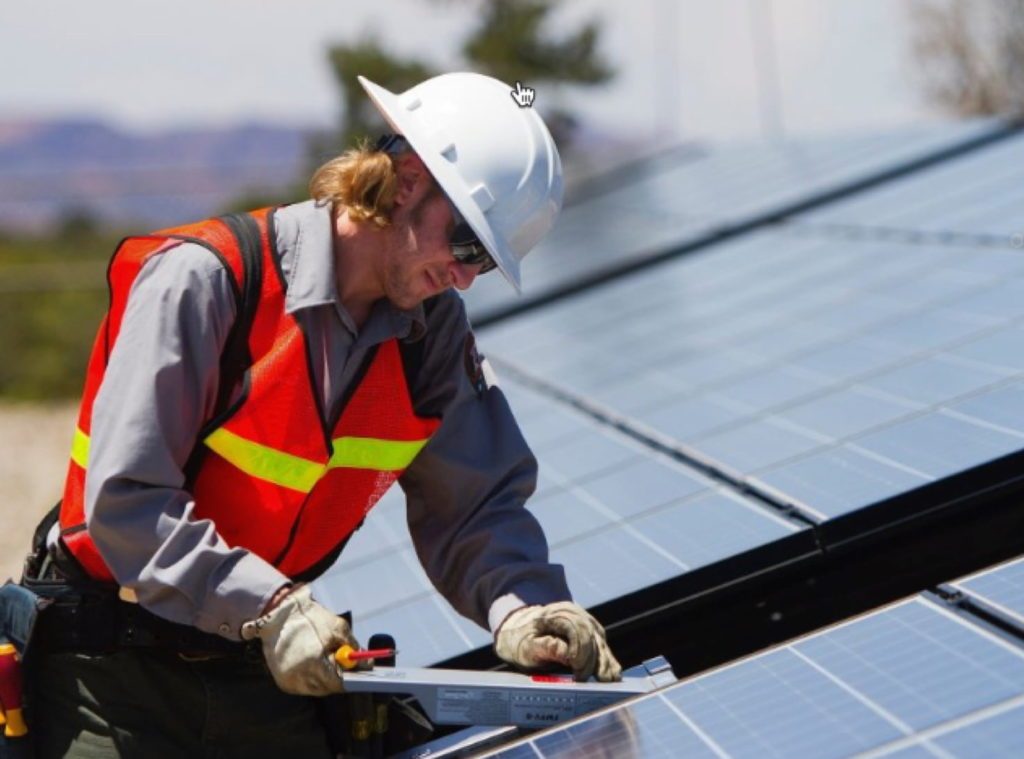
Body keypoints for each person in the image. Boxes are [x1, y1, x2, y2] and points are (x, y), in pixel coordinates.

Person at [12, 72, 621, 757]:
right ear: (406, 182)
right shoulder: (207, 282)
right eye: (468, 244)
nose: (465, 277)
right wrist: (268, 607)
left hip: (260, 669)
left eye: (484, 261)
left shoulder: (431, 338)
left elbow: (474, 508)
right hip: (112, 671)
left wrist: (526, 605)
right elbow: (125, 502)